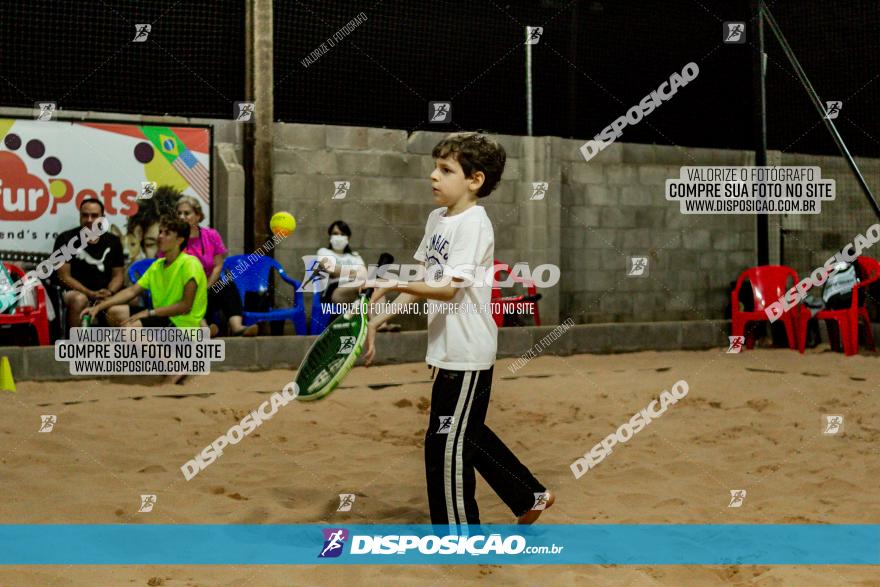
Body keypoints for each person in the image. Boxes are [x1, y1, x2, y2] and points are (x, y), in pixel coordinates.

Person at [362, 131, 553, 525]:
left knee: (445, 443)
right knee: (468, 432)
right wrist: (376, 321)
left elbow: (447, 289)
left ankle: (458, 533)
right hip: (445, 350)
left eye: (445, 169)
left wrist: (394, 281)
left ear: (475, 180)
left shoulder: (475, 225)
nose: (433, 176)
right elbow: (425, 280)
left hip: (468, 353)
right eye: (435, 167)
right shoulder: (437, 219)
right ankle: (529, 495)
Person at [82, 216, 207, 330]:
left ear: (179, 240)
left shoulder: (190, 263)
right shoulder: (157, 265)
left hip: (182, 322)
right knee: (114, 312)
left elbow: (185, 306)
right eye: (160, 232)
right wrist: (98, 307)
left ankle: (171, 355)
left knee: (129, 331)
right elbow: (131, 291)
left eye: (167, 233)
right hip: (161, 315)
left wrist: (149, 313)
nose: (160, 236)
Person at [168, 196, 256, 337]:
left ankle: (238, 327)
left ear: (198, 216)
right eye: (179, 214)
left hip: (208, 286)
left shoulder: (211, 235)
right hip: (184, 290)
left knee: (226, 283)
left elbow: (218, 265)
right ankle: (204, 330)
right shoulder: (172, 239)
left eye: (186, 213)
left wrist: (206, 287)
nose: (182, 217)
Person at [55, 198, 126, 328]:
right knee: (79, 300)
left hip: (105, 292)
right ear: (80, 216)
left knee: (132, 299)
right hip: (75, 292)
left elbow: (119, 275)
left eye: (94, 215)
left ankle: (122, 345)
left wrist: (109, 292)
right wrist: (90, 293)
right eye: (85, 215)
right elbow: (63, 276)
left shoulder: (113, 241)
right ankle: (76, 345)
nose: (89, 219)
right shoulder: (66, 239)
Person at [314, 220, 366, 307]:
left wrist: (342, 272)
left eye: (342, 234)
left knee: (375, 289)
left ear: (348, 238)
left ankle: (379, 321)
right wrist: (355, 273)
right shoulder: (323, 252)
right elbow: (331, 269)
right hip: (334, 291)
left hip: (357, 288)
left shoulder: (355, 256)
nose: (339, 236)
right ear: (330, 236)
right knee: (369, 286)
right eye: (335, 233)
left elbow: (364, 274)